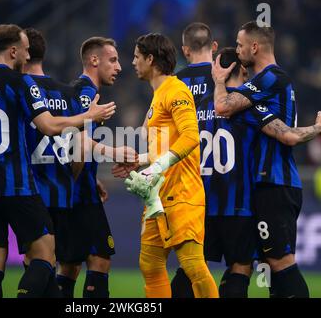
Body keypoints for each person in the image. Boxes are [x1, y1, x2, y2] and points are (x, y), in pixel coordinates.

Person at [0, 24, 115, 298]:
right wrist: (88, 117)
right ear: (13, 51)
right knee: (45, 255)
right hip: (17, 185)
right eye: (24, 49)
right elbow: (49, 126)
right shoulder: (20, 83)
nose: (26, 54)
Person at [211, 21, 321, 298]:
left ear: (255, 46)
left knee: (279, 262)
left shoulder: (270, 78)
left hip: (275, 184)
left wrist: (218, 82)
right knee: (249, 262)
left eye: (240, 45)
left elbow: (224, 108)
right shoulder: (262, 92)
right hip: (262, 186)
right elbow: (283, 131)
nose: (238, 51)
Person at [125, 33, 219, 298]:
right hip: (158, 196)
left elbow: (191, 136)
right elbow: (166, 146)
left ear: (150, 59)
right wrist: (141, 161)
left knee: (193, 266)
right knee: (150, 264)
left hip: (183, 194)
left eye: (136, 56)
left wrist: (156, 167)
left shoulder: (176, 90)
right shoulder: (158, 95)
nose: (132, 62)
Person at [53, 36, 122, 298]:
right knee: (100, 258)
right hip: (80, 196)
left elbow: (69, 139)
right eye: (113, 60)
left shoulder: (74, 90)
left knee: (70, 265)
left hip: (78, 189)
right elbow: (80, 141)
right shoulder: (86, 93)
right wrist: (114, 153)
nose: (119, 67)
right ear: (94, 60)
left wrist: (91, 177)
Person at [170, 21, 217, 298]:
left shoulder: (174, 84)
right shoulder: (229, 77)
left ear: (185, 50)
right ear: (213, 46)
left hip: (186, 183)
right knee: (240, 265)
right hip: (227, 184)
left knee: (190, 260)